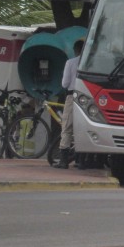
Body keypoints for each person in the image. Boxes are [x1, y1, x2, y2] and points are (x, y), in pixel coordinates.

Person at [54, 38, 84, 169]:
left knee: (66, 127)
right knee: (82, 128)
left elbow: (64, 84)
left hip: (72, 96)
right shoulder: (90, 63)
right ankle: (81, 160)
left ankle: (64, 161)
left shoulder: (70, 63)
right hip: (88, 97)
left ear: (75, 50)